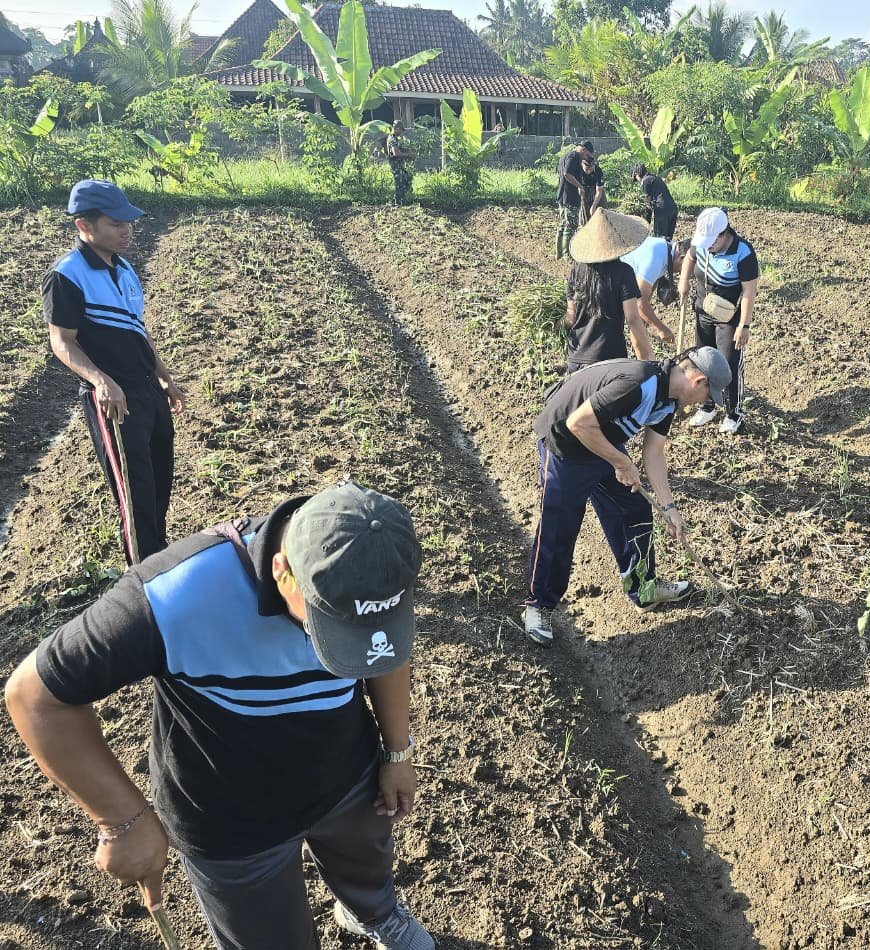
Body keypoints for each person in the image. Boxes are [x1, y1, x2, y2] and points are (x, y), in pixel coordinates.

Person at [5, 481, 436, 950]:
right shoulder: (176, 597)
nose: (354, 646)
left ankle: (372, 912)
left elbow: (384, 652)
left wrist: (397, 752)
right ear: (282, 572)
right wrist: (121, 819)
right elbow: (34, 696)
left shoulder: (375, 568)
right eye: (333, 627)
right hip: (232, 822)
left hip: (348, 779)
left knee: (367, 866)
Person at [523, 347, 733, 646]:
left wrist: (669, 507)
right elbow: (577, 423)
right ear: (698, 381)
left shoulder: (668, 400)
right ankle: (539, 605)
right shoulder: (638, 384)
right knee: (560, 526)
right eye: (708, 395)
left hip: (601, 443)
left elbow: (653, 452)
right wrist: (621, 462)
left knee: (634, 510)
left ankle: (643, 588)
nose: (703, 402)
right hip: (565, 446)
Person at [44, 180, 186, 566]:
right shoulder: (67, 275)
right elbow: (62, 342)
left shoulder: (124, 269)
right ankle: (143, 577)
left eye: (129, 222)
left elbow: (138, 330)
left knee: (159, 484)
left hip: (148, 391)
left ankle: (159, 562)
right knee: (135, 494)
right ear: (84, 226)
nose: (128, 230)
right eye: (116, 223)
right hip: (115, 400)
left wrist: (164, 377)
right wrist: (102, 381)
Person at [678, 207, 758, 434]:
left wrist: (744, 325)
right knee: (702, 361)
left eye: (712, 241)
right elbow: (690, 257)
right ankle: (707, 406)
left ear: (724, 234)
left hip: (727, 319)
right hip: (703, 311)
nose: (708, 246)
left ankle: (734, 414)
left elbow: (749, 293)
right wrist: (683, 282)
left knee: (728, 364)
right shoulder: (702, 244)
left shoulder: (743, 253)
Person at [565, 209, 657, 372]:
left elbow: (570, 318)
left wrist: (555, 325)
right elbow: (632, 318)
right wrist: (648, 357)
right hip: (608, 360)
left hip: (576, 357)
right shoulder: (624, 272)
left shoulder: (576, 271)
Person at [619, 235, 683, 347]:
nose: (683, 272)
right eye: (686, 267)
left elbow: (644, 300)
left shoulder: (665, 250)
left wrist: (644, 321)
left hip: (624, 282)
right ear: (681, 257)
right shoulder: (656, 258)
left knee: (639, 327)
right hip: (611, 282)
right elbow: (640, 302)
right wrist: (661, 328)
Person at [555, 140, 594, 259]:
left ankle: (559, 253)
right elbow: (567, 174)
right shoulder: (574, 157)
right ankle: (567, 255)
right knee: (570, 226)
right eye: (587, 155)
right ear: (583, 149)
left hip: (562, 196)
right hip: (570, 196)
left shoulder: (565, 156)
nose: (586, 158)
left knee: (562, 225)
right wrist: (580, 186)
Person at [632, 163, 678, 240]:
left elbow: (647, 202)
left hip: (662, 210)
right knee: (668, 239)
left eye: (636, 179)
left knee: (659, 238)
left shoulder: (645, 181)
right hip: (673, 208)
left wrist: (646, 221)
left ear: (637, 174)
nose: (638, 181)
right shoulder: (655, 178)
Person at [384, 120, 416, 206]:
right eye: (401, 130)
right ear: (397, 128)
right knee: (399, 184)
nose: (401, 132)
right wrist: (408, 155)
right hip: (396, 165)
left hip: (399, 165)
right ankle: (398, 203)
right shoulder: (392, 139)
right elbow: (396, 153)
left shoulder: (394, 138)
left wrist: (407, 151)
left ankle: (397, 200)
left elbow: (399, 150)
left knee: (407, 179)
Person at [579, 155, 606, 224]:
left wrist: (593, 206)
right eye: (586, 169)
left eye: (591, 169)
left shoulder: (598, 171)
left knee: (601, 212)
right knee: (585, 215)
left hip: (596, 191)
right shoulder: (578, 170)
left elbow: (599, 191)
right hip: (584, 190)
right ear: (582, 165)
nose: (589, 171)